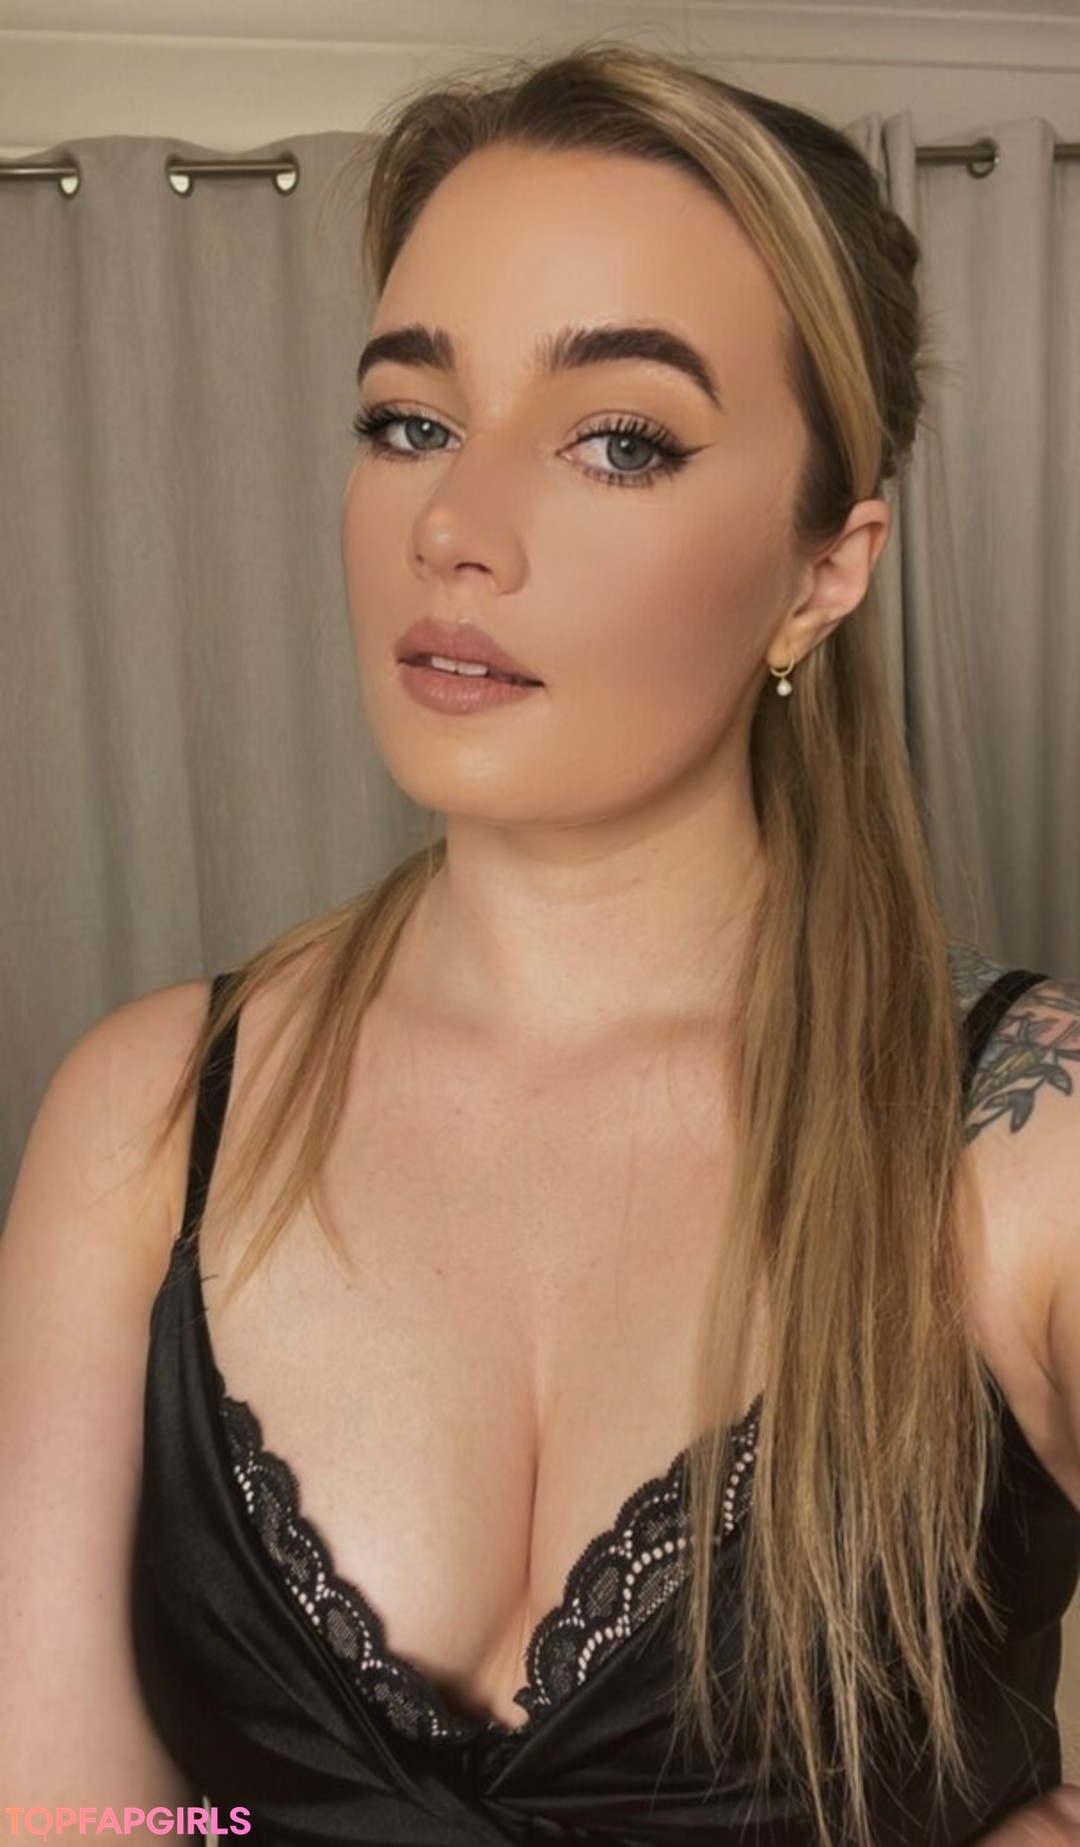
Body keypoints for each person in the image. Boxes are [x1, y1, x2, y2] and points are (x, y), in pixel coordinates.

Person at [1, 37, 1078, 1847]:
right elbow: (63, 1817)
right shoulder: (147, 1115)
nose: (453, 525)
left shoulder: (1029, 1150)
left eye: (618, 440)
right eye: (409, 422)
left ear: (826, 567)